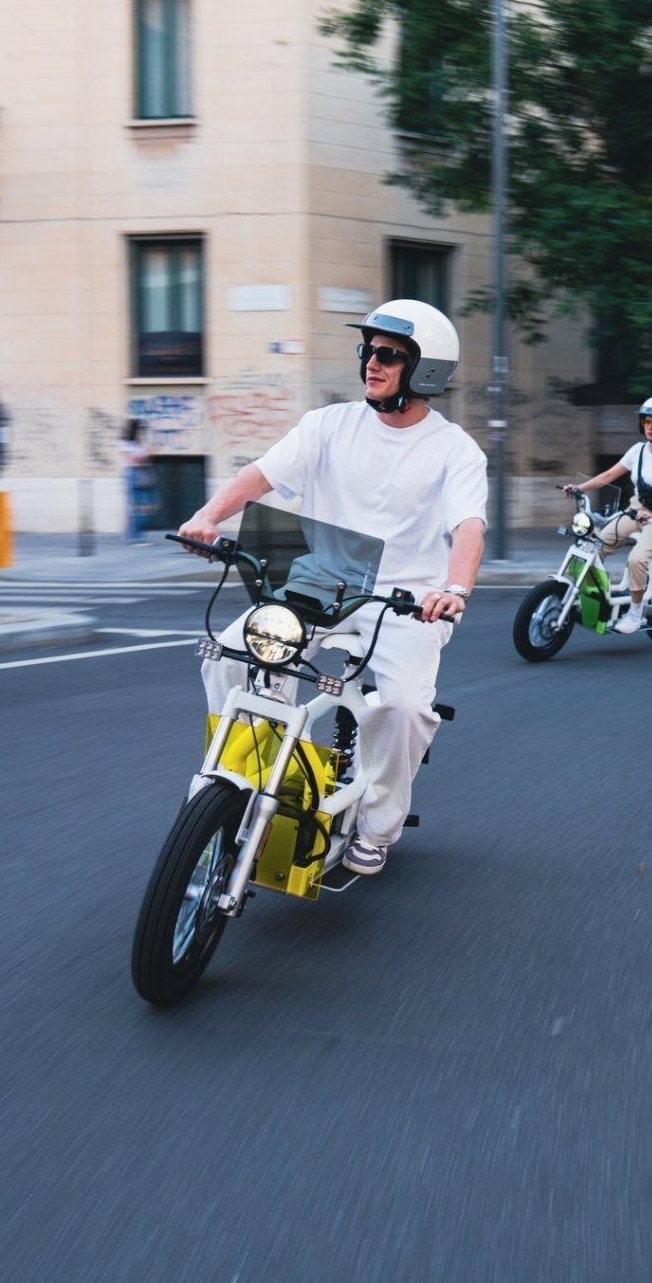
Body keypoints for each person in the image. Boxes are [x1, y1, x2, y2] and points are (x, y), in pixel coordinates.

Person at [175, 299, 486, 877]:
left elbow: (469, 524)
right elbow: (260, 475)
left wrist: (455, 589)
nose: (372, 362)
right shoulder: (328, 425)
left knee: (402, 707)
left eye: (389, 354)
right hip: (319, 586)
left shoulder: (454, 449)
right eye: (368, 350)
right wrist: (207, 517)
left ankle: (378, 824)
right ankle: (248, 776)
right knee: (228, 656)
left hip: (406, 604)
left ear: (426, 370)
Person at [559, 395, 652, 635]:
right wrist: (579, 488)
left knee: (637, 559)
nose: (650, 427)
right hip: (634, 511)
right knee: (592, 546)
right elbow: (609, 475)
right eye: (647, 421)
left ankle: (635, 613)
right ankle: (595, 598)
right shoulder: (637, 451)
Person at [118, 418, 154, 544]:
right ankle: (134, 537)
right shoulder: (125, 443)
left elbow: (141, 459)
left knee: (142, 505)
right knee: (135, 506)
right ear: (135, 429)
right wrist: (147, 454)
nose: (142, 432)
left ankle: (134, 535)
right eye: (140, 429)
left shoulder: (137, 443)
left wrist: (145, 454)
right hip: (132, 473)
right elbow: (134, 460)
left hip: (141, 472)